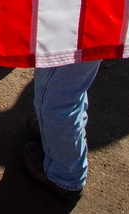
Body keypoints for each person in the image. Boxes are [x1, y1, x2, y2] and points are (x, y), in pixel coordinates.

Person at [24, 61, 102, 202]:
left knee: (55, 99)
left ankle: (64, 178)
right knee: (71, 84)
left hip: (73, 40)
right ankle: (55, 135)